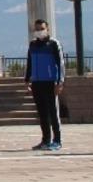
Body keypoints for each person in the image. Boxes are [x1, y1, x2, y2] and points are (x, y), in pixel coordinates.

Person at [25, 19, 65, 151]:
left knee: (53, 112)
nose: (39, 31)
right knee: (42, 113)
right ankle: (45, 140)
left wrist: (60, 82)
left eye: (42, 28)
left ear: (47, 29)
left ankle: (57, 140)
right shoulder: (33, 45)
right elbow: (30, 62)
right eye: (37, 29)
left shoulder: (54, 44)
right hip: (37, 82)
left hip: (50, 82)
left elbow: (60, 64)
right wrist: (27, 80)